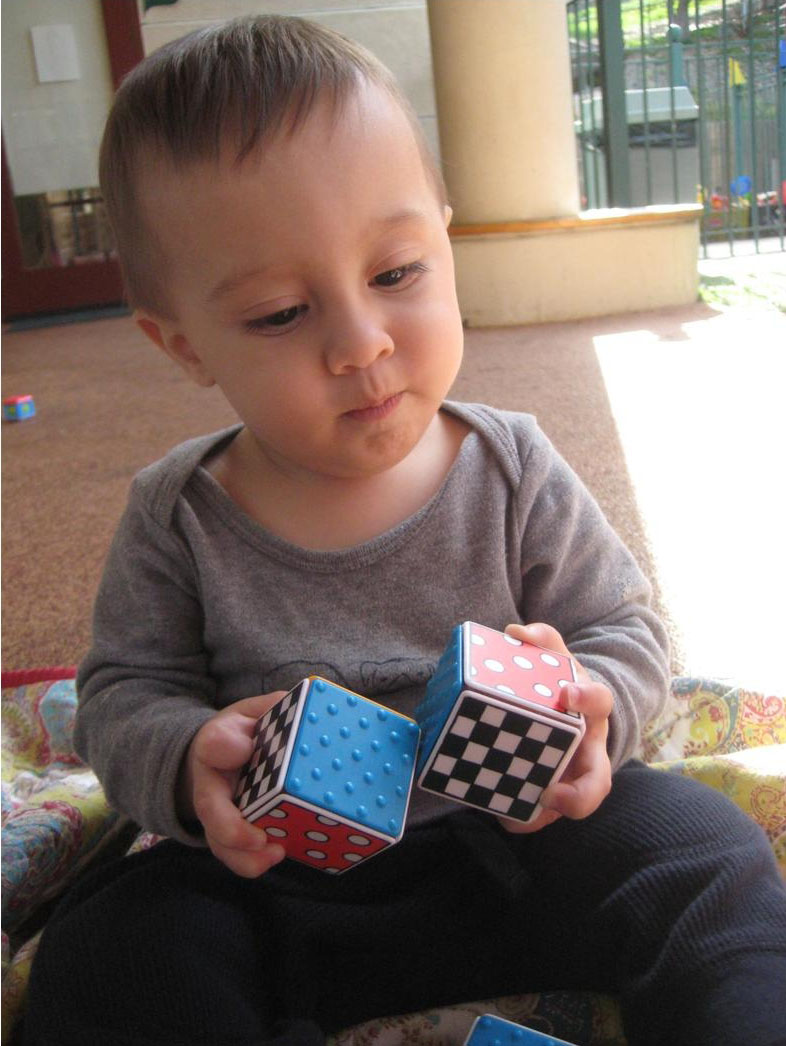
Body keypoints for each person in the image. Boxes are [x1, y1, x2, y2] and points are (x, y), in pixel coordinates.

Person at [24, 15, 786, 1046]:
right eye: (282, 313)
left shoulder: (512, 462)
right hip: (275, 882)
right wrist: (187, 751)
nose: (362, 342)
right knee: (112, 946)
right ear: (181, 342)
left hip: (521, 845)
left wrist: (592, 700)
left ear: (445, 232)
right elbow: (121, 691)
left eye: (396, 273)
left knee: (708, 851)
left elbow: (623, 625)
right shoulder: (177, 510)